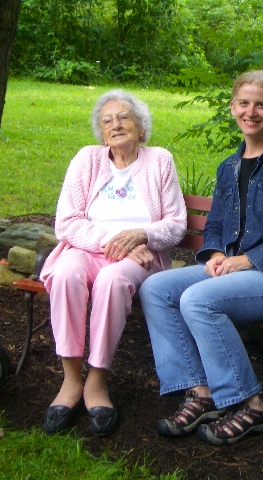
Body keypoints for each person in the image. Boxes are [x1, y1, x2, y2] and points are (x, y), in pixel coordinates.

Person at [139, 70, 263, 446]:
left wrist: (250, 259)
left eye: (261, 104)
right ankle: (202, 393)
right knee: (156, 287)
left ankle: (253, 403)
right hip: (237, 273)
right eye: (244, 103)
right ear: (232, 107)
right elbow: (216, 225)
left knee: (198, 300)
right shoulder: (229, 166)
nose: (251, 112)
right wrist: (217, 254)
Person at [40, 89, 187, 437]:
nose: (115, 124)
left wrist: (140, 236)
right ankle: (70, 380)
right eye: (107, 120)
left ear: (141, 126)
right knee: (65, 275)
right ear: (100, 131)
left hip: (139, 257)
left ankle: (97, 380)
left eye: (124, 117)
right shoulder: (87, 160)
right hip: (89, 249)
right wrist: (114, 241)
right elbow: (67, 221)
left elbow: (176, 224)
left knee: (112, 281)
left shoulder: (159, 160)